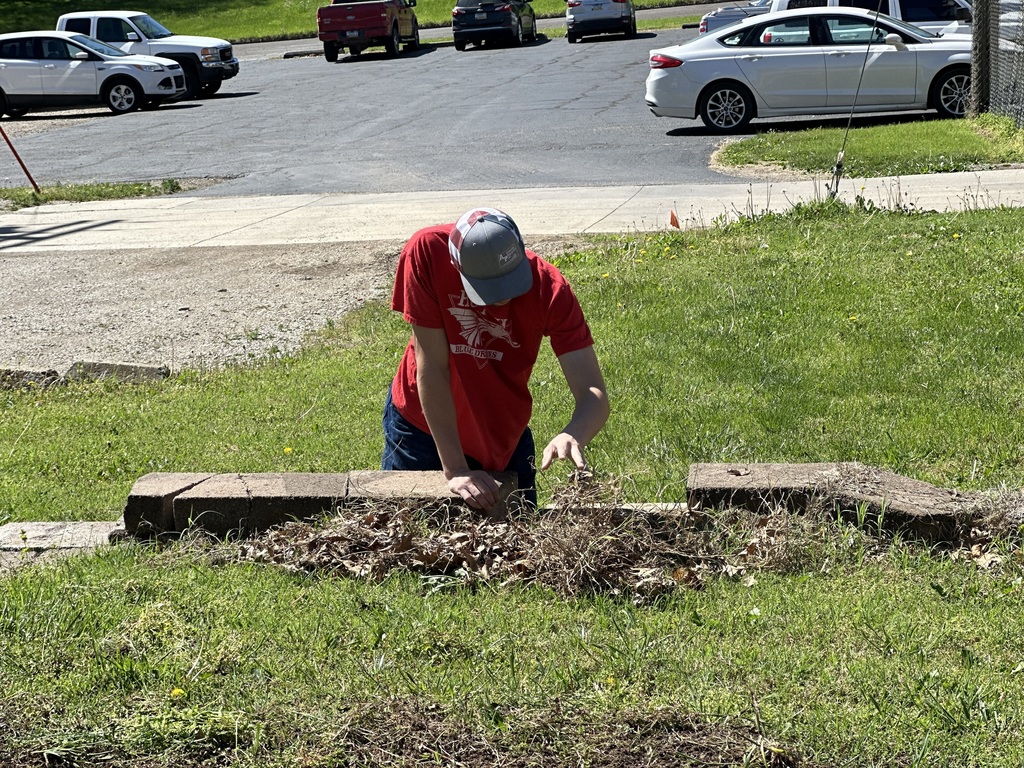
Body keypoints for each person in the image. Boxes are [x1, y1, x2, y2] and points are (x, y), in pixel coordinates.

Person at [382, 207, 610, 509]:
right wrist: (455, 469)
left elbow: (593, 392)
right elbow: (433, 367)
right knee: (407, 536)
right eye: (489, 288)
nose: (503, 297)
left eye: (511, 282)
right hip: (423, 430)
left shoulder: (550, 288)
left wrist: (574, 433)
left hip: (503, 435)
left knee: (519, 543)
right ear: (456, 264)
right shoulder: (427, 252)